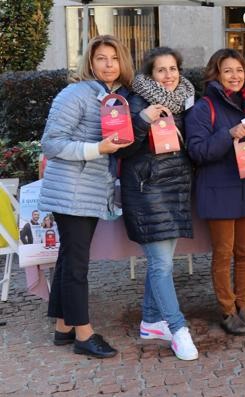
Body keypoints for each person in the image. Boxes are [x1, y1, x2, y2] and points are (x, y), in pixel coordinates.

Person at [40, 35, 134, 358]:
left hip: (87, 191)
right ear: (90, 63)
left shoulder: (112, 97)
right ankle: (84, 334)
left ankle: (63, 327)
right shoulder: (75, 94)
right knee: (78, 264)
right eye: (101, 59)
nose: (108, 65)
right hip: (72, 191)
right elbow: (51, 144)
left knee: (69, 258)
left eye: (114, 58)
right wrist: (97, 149)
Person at [185, 48, 245, 336]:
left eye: (238, 70)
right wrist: (228, 134)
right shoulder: (203, 108)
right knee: (223, 254)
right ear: (216, 74)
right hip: (219, 191)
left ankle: (244, 307)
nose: (234, 76)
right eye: (227, 71)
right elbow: (197, 151)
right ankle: (228, 311)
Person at [118, 46, 199, 360]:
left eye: (173, 69)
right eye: (161, 70)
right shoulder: (136, 101)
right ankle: (178, 330)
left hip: (176, 189)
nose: (168, 76)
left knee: (160, 263)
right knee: (162, 265)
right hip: (147, 191)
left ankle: (151, 321)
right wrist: (142, 119)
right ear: (149, 75)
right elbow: (121, 150)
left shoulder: (185, 102)